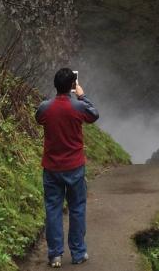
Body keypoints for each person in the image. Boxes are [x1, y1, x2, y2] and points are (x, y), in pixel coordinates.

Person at [35, 68, 99, 268]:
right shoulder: (79, 107)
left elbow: (39, 118)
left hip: (52, 167)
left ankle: (55, 255)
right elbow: (94, 115)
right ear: (73, 85)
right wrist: (82, 95)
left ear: (55, 85)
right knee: (77, 209)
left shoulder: (45, 108)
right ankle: (78, 253)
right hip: (74, 167)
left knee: (53, 209)